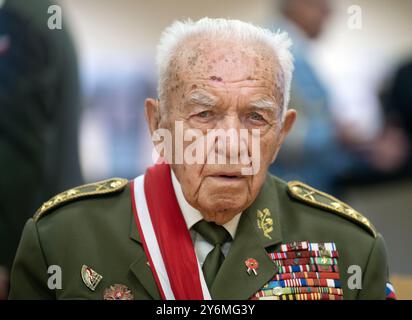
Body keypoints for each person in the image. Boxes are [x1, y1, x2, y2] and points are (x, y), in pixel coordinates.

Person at [9, 18, 394, 300]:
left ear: (281, 135)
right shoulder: (63, 240)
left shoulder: (347, 249)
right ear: (157, 125)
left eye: (255, 117)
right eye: (204, 114)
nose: (230, 144)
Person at [0, 0, 82, 298]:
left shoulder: (18, 21)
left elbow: (21, 151)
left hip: (27, 243)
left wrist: (6, 256)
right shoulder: (48, 15)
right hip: (55, 230)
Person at [269, 0, 351, 193]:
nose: (328, 14)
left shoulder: (292, 47)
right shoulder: (275, 49)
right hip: (290, 185)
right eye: (322, 7)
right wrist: (336, 135)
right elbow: (266, 130)